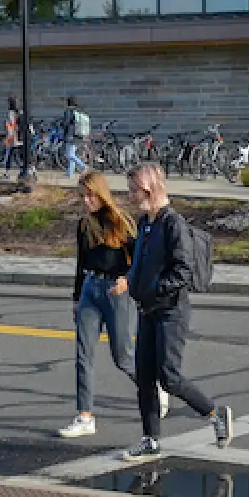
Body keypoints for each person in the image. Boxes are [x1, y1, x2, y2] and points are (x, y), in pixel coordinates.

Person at [120, 163, 233, 459]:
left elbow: (183, 270)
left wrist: (155, 288)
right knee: (145, 377)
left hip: (171, 311)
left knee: (168, 377)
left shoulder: (173, 224)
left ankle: (215, 413)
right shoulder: (146, 222)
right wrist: (131, 282)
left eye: (133, 190)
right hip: (147, 310)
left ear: (147, 190)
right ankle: (150, 438)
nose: (129, 196)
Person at [55, 170, 166, 438]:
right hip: (90, 291)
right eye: (82, 196)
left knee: (123, 356)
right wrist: (75, 297)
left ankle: (155, 389)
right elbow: (81, 264)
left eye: (90, 195)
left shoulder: (120, 222)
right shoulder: (84, 226)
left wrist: (128, 281)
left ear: (101, 194)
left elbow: (139, 259)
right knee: (84, 355)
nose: (86, 201)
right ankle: (85, 416)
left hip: (116, 292)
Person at [61, 96, 91, 180]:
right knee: (72, 153)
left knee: (69, 155)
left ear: (68, 103)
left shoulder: (68, 111)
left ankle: (83, 167)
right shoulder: (77, 111)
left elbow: (65, 123)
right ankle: (69, 173)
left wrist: (61, 124)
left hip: (70, 135)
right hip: (77, 135)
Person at [0, 96, 22, 180]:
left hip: (13, 137)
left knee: (9, 155)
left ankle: (6, 173)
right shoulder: (20, 112)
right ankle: (32, 170)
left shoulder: (11, 113)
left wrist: (9, 137)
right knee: (21, 155)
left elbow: (10, 125)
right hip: (20, 137)